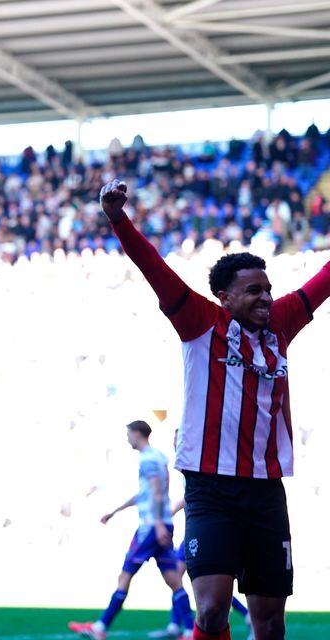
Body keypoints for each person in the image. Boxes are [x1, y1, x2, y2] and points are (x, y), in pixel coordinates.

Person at [97, 178, 330, 640]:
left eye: (268, 288)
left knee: (269, 622)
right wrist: (117, 218)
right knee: (211, 610)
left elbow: (323, 282)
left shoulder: (280, 323)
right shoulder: (201, 320)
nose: (266, 297)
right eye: (253, 290)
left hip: (265, 491)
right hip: (210, 490)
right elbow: (154, 268)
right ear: (225, 297)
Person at [68, 420, 195, 640]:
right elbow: (147, 493)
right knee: (174, 580)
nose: (127, 439)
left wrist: (156, 525)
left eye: (129, 434)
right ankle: (189, 630)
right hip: (162, 522)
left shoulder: (147, 460)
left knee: (124, 576)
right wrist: (116, 510)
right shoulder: (157, 457)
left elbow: (156, 492)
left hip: (150, 527)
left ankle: (100, 628)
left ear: (138, 434)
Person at [148, 498, 252, 640]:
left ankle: (183, 627)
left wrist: (168, 514)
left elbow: (190, 496)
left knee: (210, 588)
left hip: (202, 534)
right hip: (193, 533)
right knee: (181, 580)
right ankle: (176, 624)